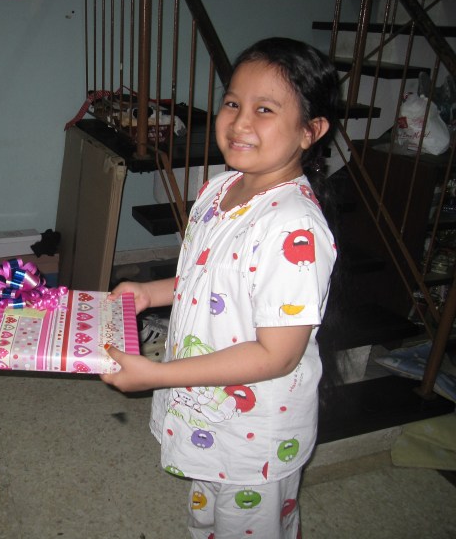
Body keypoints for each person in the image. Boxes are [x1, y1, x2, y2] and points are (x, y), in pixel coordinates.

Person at [101, 37, 340, 539]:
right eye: (232, 103)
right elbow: (208, 277)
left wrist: (159, 375)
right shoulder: (219, 188)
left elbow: (277, 355)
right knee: (206, 516)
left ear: (310, 131)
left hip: (255, 436)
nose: (239, 122)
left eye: (265, 109)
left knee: (248, 526)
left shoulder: (293, 227)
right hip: (206, 407)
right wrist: (149, 294)